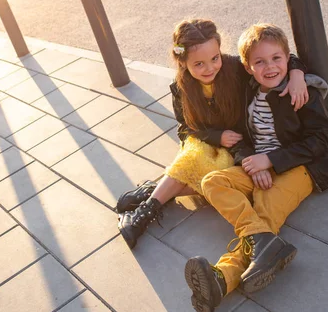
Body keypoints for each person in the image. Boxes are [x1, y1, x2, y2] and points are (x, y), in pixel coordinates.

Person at [184, 23, 328, 312]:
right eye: (259, 62)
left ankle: (222, 279)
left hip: (301, 167)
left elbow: (318, 142)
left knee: (264, 206)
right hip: (260, 163)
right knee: (212, 182)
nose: (269, 66)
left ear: (287, 60)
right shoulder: (247, 90)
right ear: (248, 68)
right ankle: (263, 242)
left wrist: (271, 161)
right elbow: (241, 134)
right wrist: (251, 159)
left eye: (276, 59)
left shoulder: (301, 92)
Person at [116, 19, 309, 249]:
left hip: (236, 146)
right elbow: (185, 128)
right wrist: (216, 137)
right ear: (183, 62)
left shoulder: (235, 68)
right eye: (198, 64)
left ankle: (156, 192)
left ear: (220, 52)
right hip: (202, 141)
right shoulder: (181, 87)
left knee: (216, 179)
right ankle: (143, 214)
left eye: (214, 58)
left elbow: (277, 56)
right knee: (195, 157)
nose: (209, 68)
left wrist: (297, 74)